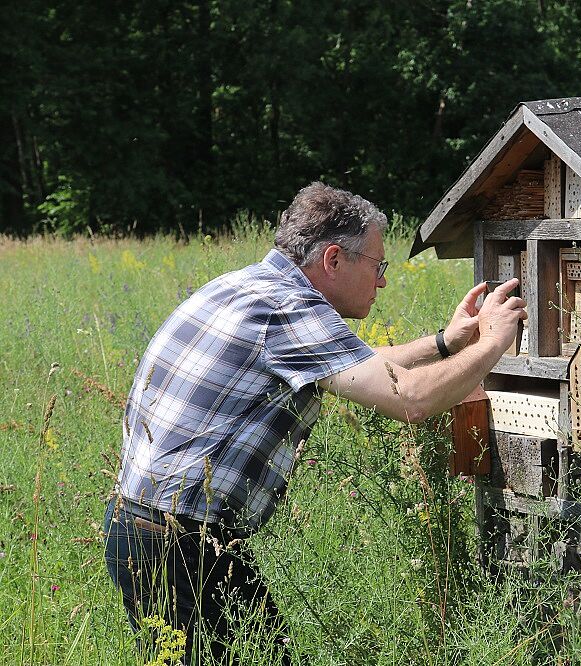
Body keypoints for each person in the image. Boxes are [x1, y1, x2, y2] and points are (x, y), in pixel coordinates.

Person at [103, 182, 526, 664]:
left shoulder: (249, 288)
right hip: (179, 542)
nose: (382, 281)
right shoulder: (287, 309)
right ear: (333, 260)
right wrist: (493, 342)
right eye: (377, 266)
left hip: (139, 529)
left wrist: (446, 342)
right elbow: (410, 400)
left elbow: (357, 365)